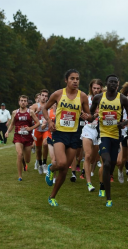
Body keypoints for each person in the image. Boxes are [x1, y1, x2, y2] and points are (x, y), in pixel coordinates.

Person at [43, 69, 92, 207]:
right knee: (63, 163)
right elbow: (44, 109)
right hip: (59, 132)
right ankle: (51, 168)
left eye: (77, 79)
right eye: (72, 78)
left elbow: (90, 115)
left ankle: (52, 196)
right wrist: (50, 121)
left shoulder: (82, 96)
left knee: (64, 170)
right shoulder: (58, 94)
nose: (75, 81)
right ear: (66, 80)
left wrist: (87, 116)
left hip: (75, 134)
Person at [90, 74, 128, 207]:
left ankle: (103, 184)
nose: (113, 84)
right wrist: (90, 117)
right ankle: (108, 197)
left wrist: (124, 123)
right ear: (106, 84)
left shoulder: (123, 99)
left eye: (115, 83)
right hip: (103, 135)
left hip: (116, 136)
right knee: (107, 162)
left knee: (113, 164)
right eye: (111, 82)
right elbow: (90, 115)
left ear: (118, 85)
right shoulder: (98, 97)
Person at [5, 95, 40, 180]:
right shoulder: (15, 112)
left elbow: (38, 123)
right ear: (19, 102)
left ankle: (26, 161)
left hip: (27, 137)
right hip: (18, 136)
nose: (23, 102)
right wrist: (7, 132)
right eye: (21, 100)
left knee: (27, 159)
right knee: (19, 154)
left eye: (25, 101)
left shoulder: (30, 112)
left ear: (27, 103)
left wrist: (30, 128)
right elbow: (12, 124)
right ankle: (20, 176)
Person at [80, 79, 103, 192]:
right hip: (88, 128)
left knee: (94, 158)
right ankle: (89, 183)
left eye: (98, 88)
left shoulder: (105, 100)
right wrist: (83, 115)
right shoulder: (86, 99)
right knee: (88, 156)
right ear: (91, 88)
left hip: (101, 130)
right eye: (94, 88)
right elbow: (79, 110)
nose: (96, 90)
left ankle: (93, 173)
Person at [30, 89, 51, 174]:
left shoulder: (49, 105)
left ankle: (45, 163)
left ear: (47, 97)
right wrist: (37, 112)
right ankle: (40, 164)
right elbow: (30, 117)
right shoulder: (35, 106)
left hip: (46, 129)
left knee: (45, 144)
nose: (44, 97)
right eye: (43, 95)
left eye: (46, 96)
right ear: (40, 96)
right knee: (38, 149)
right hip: (37, 130)